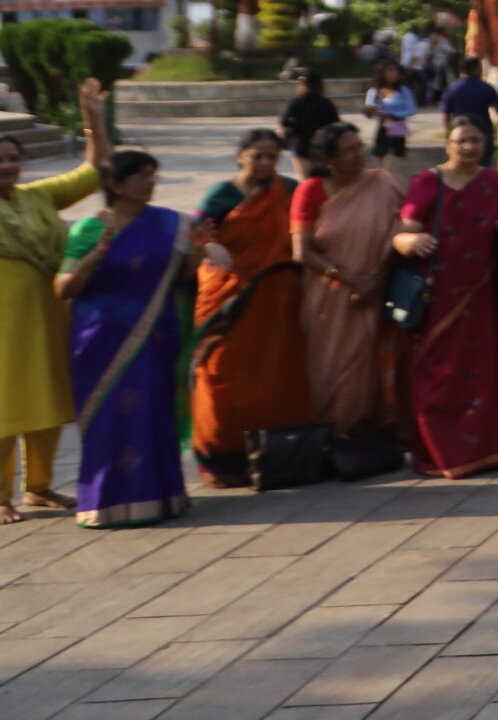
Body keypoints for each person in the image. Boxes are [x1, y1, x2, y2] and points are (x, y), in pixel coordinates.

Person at [56, 148, 203, 527]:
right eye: (141, 176)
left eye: (153, 174)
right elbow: (64, 288)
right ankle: (104, 503)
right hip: (101, 341)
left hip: (154, 337)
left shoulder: (171, 224)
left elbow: (183, 280)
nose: (150, 182)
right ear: (114, 184)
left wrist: (197, 254)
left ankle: (162, 497)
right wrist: (94, 257)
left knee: (153, 415)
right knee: (109, 422)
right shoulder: (90, 229)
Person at [0, 78, 108, 523]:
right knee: (5, 407)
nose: (6, 166)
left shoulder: (38, 197)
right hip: (4, 324)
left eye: (12, 159)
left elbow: (94, 171)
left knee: (46, 401)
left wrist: (92, 124)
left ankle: (39, 487)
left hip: (46, 316)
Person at [391, 118, 498, 478]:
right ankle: (437, 454)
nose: (468, 146)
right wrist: (410, 243)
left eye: (475, 140)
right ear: (447, 145)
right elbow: (401, 235)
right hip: (436, 299)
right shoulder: (426, 183)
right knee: (434, 376)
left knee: (484, 375)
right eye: (461, 140)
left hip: (480, 299)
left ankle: (489, 451)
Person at [189, 128, 313, 488]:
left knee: (276, 376)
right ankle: (223, 457)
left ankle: (279, 452)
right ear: (239, 156)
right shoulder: (221, 194)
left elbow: (305, 229)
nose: (263, 163)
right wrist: (211, 250)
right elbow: (199, 236)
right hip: (228, 298)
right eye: (256, 156)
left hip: (277, 299)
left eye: (271, 156)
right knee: (222, 376)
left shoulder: (287, 189)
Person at [290, 120, 403, 438]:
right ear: (328, 160)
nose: (359, 154)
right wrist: (352, 279)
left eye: (360, 146)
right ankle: (332, 437)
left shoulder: (383, 183)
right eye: (349, 150)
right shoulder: (310, 191)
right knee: (331, 369)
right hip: (329, 299)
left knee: (373, 365)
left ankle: (372, 435)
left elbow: (402, 228)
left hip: (379, 290)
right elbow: (302, 252)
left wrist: (376, 278)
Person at [278, 70, 340, 178]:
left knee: (304, 178)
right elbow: (335, 123)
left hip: (301, 144)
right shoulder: (326, 103)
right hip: (321, 145)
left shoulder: (297, 101)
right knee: (321, 179)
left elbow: (284, 121)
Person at [438, 56, 498, 152]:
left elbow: (446, 115)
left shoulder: (451, 89)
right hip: (482, 133)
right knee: (483, 165)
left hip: (459, 134)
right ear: (476, 69)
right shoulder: (486, 88)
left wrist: (449, 134)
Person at [362, 63, 416, 167]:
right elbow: (370, 112)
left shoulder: (403, 90)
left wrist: (393, 113)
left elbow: (410, 110)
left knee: (390, 165)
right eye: (390, 71)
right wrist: (368, 109)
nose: (394, 74)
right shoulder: (374, 91)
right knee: (378, 162)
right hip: (383, 127)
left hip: (397, 125)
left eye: (396, 71)